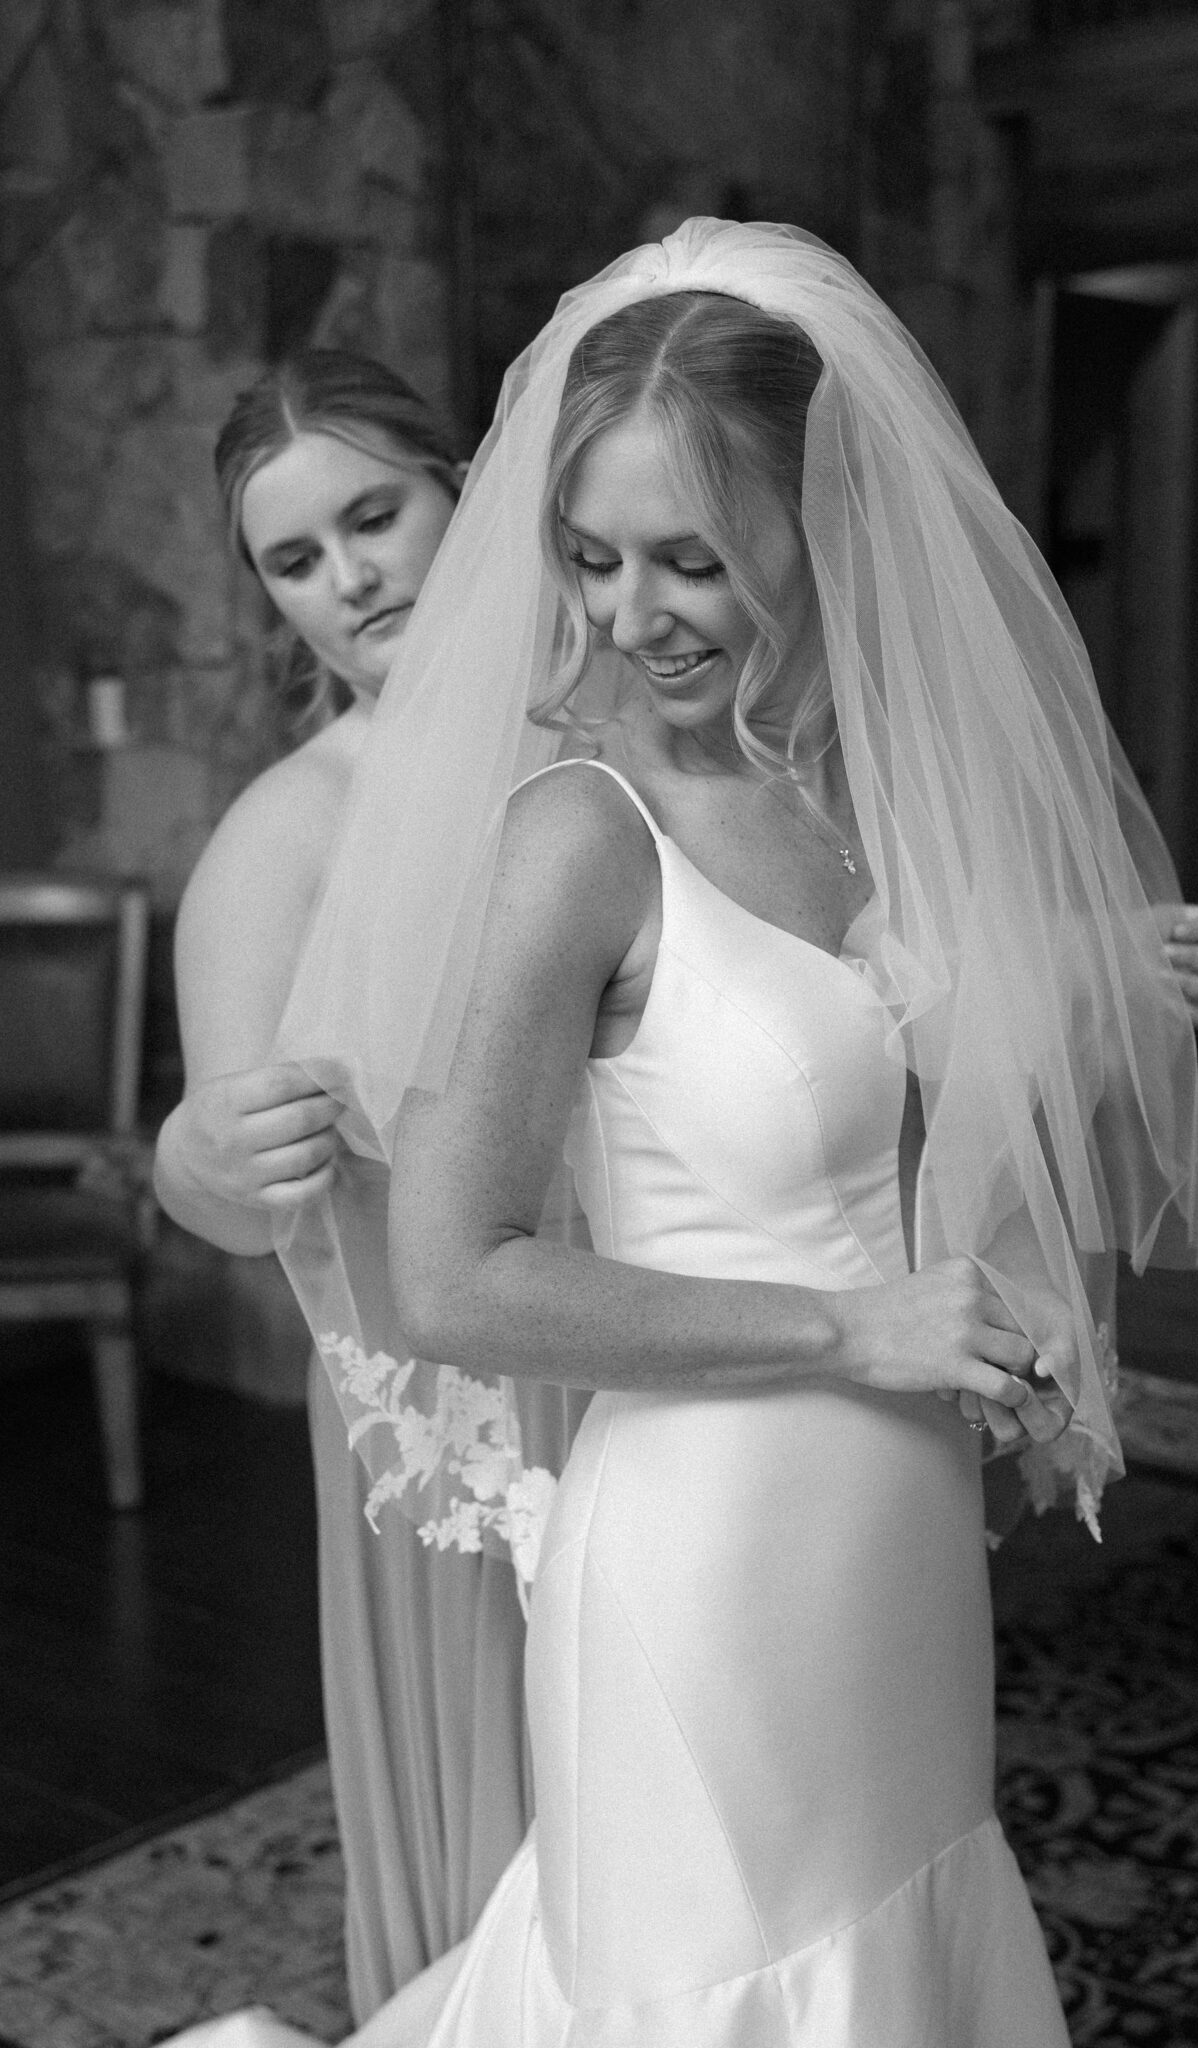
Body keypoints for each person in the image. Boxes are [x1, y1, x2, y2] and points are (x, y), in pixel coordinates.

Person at [186, 217, 1198, 2046]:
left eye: (693, 560)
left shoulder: (833, 795)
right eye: (590, 558)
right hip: (702, 1554)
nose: (626, 613)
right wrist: (851, 1327)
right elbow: (442, 1277)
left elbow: (858, 1128)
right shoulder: (576, 834)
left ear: (823, 541)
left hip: (888, 1524)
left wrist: (991, 1296)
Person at [152, 350, 536, 2024]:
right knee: (520, 1827)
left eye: (373, 517)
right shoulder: (285, 834)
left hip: (679, 1336)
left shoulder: (640, 739)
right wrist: (202, 1156)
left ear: (468, 491)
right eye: (294, 561)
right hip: (459, 1420)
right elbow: (220, 1190)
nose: (348, 577)